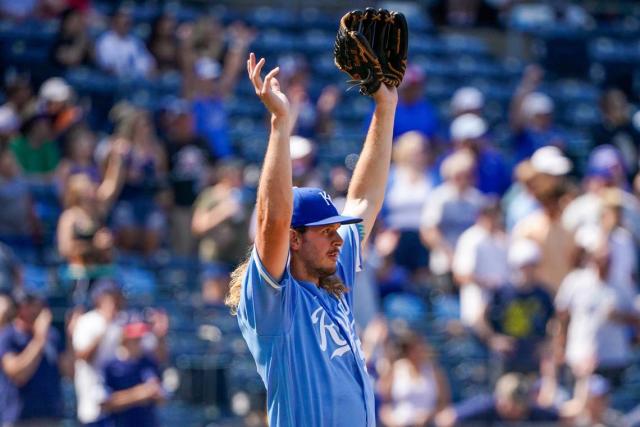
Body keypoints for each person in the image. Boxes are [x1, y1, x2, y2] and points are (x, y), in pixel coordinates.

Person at [225, 53, 398, 426]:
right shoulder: (275, 304)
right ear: (295, 239)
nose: (337, 239)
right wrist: (280, 125)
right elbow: (272, 220)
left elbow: (365, 199)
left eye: (336, 230)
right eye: (325, 231)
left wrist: (385, 105)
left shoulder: (338, 282)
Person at [0, 291, 74, 426]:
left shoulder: (52, 335)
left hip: (51, 417)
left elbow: (69, 373)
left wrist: (70, 338)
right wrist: (39, 339)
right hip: (19, 419)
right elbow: (18, 375)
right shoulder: (8, 336)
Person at [72, 280, 125, 427]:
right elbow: (84, 356)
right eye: (109, 296)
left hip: (119, 402)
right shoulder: (87, 321)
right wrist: (104, 328)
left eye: (116, 296)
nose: (114, 300)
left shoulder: (122, 321)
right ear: (98, 298)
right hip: (92, 401)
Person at [452, 200, 509, 328]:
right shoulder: (470, 239)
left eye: (496, 215)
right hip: (477, 300)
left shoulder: (503, 240)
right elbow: (461, 276)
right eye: (490, 216)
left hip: (503, 301)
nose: (493, 220)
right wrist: (487, 282)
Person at [378, 332, 450, 427]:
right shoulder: (395, 370)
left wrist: (429, 416)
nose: (420, 351)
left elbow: (443, 403)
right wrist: (392, 423)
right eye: (415, 348)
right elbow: (384, 405)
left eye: (421, 347)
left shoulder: (435, 371)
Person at [101, 321, 165, 427]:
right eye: (135, 340)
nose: (140, 344)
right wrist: (139, 394)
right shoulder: (111, 366)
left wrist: (155, 393)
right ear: (125, 340)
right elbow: (107, 403)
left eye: (140, 340)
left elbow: (162, 399)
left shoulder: (148, 363)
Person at [95, 7, 155, 79]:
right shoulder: (105, 40)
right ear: (114, 22)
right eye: (123, 22)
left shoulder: (135, 41)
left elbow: (149, 62)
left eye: (128, 23)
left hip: (137, 80)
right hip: (115, 81)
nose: (126, 25)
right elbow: (108, 66)